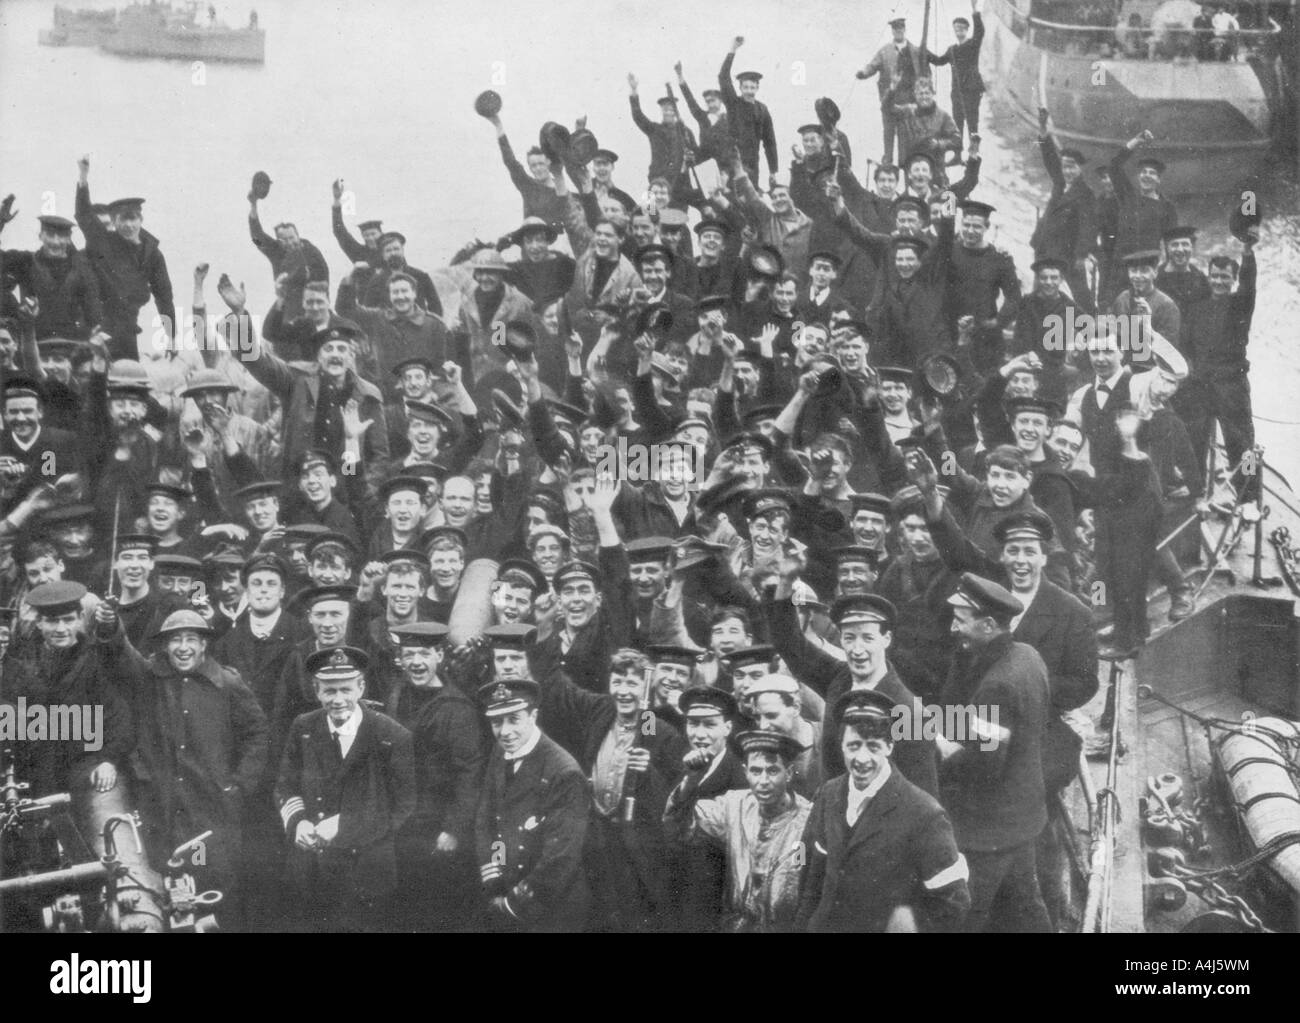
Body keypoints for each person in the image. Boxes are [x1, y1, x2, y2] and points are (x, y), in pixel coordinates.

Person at [108, 607, 269, 928]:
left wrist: (238, 786)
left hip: (210, 815)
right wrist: (110, 626)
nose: (183, 647)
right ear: (164, 646)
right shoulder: (149, 679)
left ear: (204, 644)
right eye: (175, 640)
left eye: (191, 639)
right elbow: (121, 659)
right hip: (162, 811)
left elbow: (257, 734)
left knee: (212, 892)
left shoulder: (226, 684)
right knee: (167, 892)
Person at [795, 688, 969, 932]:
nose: (862, 758)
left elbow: (954, 903)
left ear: (889, 746)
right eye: (854, 745)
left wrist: (912, 923)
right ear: (841, 745)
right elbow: (812, 871)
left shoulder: (925, 814)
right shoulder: (829, 794)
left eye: (873, 746)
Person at [275, 645, 416, 932]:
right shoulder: (303, 727)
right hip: (312, 868)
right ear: (316, 690)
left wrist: (346, 824)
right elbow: (285, 786)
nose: (338, 699)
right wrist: (298, 823)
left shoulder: (391, 736)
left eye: (346, 690)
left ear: (361, 687)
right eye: (329, 691)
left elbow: (403, 806)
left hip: (366, 873)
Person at [940, 573, 1051, 932]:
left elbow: (984, 766)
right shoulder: (1027, 655)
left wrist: (939, 745)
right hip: (1023, 814)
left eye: (960, 620)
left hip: (989, 829)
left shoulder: (997, 687)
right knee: (1027, 906)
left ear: (988, 624)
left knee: (968, 914)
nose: (954, 627)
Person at [663, 729, 811, 931]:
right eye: (756, 771)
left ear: (789, 772)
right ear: (745, 772)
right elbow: (678, 827)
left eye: (773, 770)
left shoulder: (807, 821)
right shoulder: (734, 806)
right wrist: (691, 781)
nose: (763, 781)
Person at [473, 677, 591, 931]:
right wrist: (497, 882)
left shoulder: (564, 772)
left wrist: (514, 901)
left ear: (533, 715)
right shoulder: (501, 751)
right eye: (496, 722)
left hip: (550, 907)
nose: (505, 732)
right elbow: (491, 820)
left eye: (514, 719)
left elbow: (561, 856)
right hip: (507, 894)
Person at [74, 156, 174, 360]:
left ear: (140, 219)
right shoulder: (102, 241)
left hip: (129, 331)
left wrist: (171, 335)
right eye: (122, 219)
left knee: (129, 383)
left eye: (133, 218)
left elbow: (164, 297)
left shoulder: (152, 253)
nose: (128, 225)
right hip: (100, 329)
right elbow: (84, 214)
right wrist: (83, 176)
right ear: (114, 221)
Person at [857, 17, 923, 164]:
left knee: (905, 139)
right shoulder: (885, 51)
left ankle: (904, 169)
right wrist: (863, 73)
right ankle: (887, 166)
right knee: (888, 136)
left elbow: (924, 73)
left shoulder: (914, 51)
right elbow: (872, 66)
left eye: (900, 29)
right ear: (892, 31)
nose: (898, 32)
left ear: (904, 30)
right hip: (889, 101)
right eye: (895, 29)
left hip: (908, 103)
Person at [718, 36, 779, 186]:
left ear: (757, 88)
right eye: (745, 87)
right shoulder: (734, 103)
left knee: (750, 203)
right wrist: (732, 50)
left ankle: (649, 208)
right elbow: (723, 78)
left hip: (752, 166)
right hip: (733, 162)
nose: (749, 91)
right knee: (732, 202)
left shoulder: (762, 110)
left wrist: (773, 170)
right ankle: (649, 209)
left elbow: (770, 142)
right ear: (740, 88)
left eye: (752, 87)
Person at [926, 1, 985, 150]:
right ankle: (958, 155)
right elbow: (939, 61)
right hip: (957, 93)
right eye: (956, 29)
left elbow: (980, 31)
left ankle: (973, 154)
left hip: (971, 91)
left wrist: (975, 11)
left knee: (972, 124)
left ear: (966, 30)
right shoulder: (952, 50)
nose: (959, 32)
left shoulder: (972, 44)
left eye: (962, 29)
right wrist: (925, 52)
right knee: (957, 124)